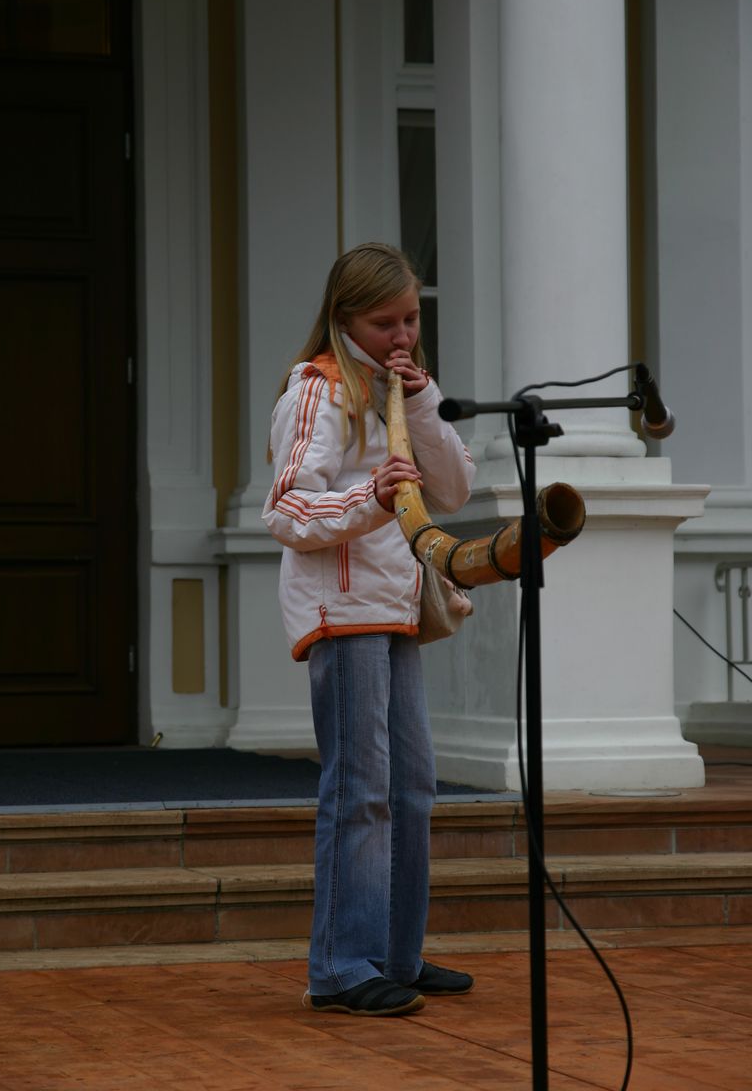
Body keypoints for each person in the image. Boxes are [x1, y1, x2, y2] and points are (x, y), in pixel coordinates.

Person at [263, 242, 477, 1017]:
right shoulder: (317, 389)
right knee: (360, 791)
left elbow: (453, 488)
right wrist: (371, 499)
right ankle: (342, 966)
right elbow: (287, 508)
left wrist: (422, 403)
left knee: (410, 789)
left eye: (411, 319)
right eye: (386, 323)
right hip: (344, 609)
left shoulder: (403, 387)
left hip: (396, 604)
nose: (403, 336)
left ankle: (395, 955)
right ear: (345, 318)